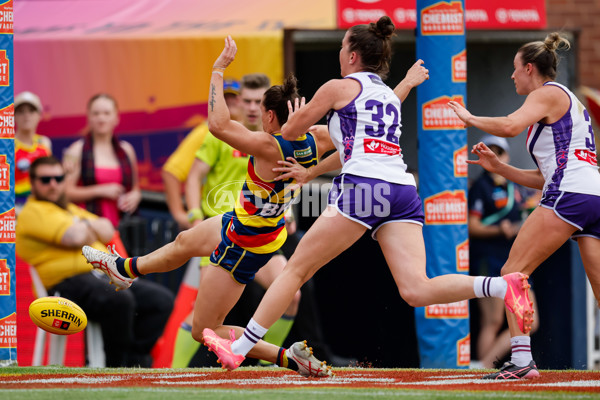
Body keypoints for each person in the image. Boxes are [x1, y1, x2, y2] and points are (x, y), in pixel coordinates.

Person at [201, 17, 534, 373]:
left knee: (295, 269)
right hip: (402, 189)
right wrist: (313, 170)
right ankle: (502, 286)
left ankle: (240, 348)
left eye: (343, 46)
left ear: (354, 55)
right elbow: (355, 142)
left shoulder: (338, 87)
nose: (340, 52)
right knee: (416, 289)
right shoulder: (386, 96)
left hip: (364, 188)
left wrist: (299, 120)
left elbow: (292, 131)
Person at [81, 45, 337, 377]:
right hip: (253, 225)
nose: (255, 114)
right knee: (186, 240)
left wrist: (218, 69)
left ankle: (289, 358)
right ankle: (125, 269)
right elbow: (352, 142)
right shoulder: (315, 139)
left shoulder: (267, 145)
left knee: (203, 328)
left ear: (271, 116)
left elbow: (217, 124)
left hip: (244, 241)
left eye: (259, 109)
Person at [448, 32, 600, 379]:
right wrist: (500, 168)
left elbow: (510, 126)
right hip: (592, 195)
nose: (512, 76)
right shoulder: (564, 101)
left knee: (512, 272)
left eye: (515, 70)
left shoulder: (546, 94)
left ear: (530, 68)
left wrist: (469, 118)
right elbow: (545, 175)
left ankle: (521, 362)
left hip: (571, 193)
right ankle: (520, 361)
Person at [171, 74, 302, 368]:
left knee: (291, 295)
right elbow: (192, 177)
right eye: (248, 101)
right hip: (221, 232)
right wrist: (192, 215)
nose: (253, 107)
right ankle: (172, 374)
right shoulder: (221, 136)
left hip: (262, 235)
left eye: (259, 101)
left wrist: (289, 209)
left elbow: (292, 182)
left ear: (269, 108)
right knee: (199, 318)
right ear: (238, 102)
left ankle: (268, 370)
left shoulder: (282, 142)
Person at [16, 156, 174, 367]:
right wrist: (90, 228)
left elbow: (107, 229)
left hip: (100, 276)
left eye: (58, 178)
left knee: (160, 300)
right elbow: (74, 237)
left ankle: (135, 362)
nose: (53, 184)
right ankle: (115, 367)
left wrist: (84, 228)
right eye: (45, 180)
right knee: (120, 300)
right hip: (64, 284)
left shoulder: (69, 209)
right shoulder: (32, 211)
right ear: (33, 183)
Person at [468, 135, 540, 369]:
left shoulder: (515, 185)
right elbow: (472, 225)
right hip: (490, 258)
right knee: (494, 320)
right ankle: (483, 368)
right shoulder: (481, 186)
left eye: (500, 153)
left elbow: (532, 203)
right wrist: (500, 229)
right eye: (491, 151)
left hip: (518, 261)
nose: (495, 157)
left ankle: (485, 365)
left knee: (531, 321)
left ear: (507, 157)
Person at [162, 78, 242, 230]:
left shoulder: (255, 132)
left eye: (235, 97)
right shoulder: (206, 131)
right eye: (225, 98)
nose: (230, 102)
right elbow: (171, 172)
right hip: (215, 219)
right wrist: (185, 216)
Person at [63, 93, 142, 228]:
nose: (101, 118)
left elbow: (135, 188)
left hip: (123, 225)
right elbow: (65, 192)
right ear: (88, 118)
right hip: (88, 225)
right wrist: (100, 190)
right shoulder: (77, 150)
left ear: (116, 118)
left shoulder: (126, 150)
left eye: (106, 113)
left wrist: (135, 196)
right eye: (96, 113)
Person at [14, 91, 52, 212]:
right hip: (17, 205)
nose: (26, 116)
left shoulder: (44, 143)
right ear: (13, 116)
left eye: (31, 111)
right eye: (21, 111)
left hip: (44, 203)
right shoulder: (6, 145)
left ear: (39, 115)